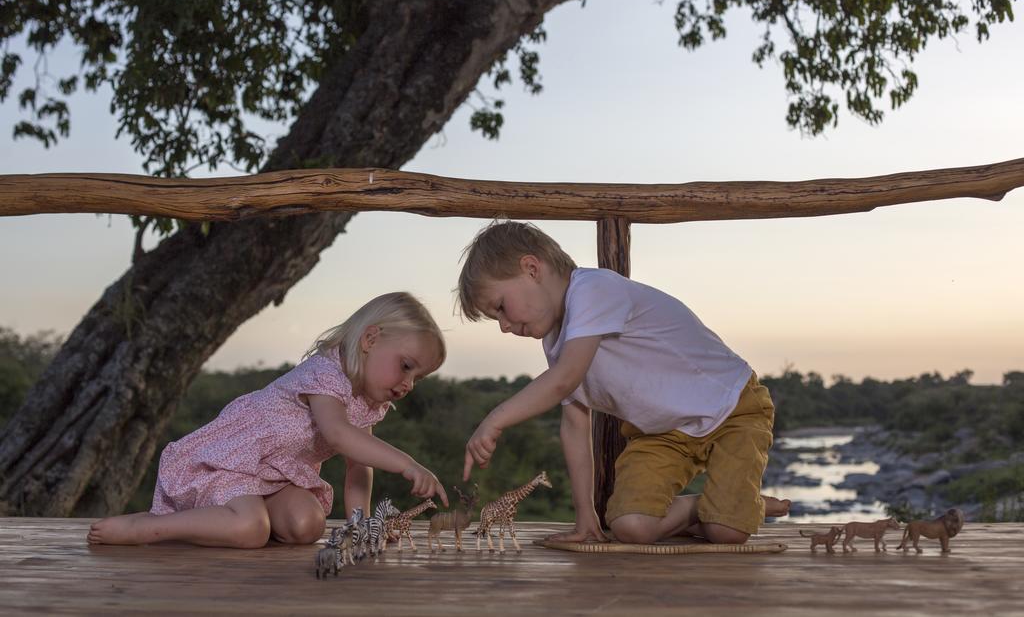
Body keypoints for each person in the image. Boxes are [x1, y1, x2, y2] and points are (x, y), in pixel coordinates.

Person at [459, 221, 789, 546]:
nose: (503, 326)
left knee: (726, 535)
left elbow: (563, 381)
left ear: (531, 268)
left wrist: (496, 418)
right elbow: (575, 425)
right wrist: (586, 515)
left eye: (500, 307)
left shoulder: (592, 289)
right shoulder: (555, 342)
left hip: (731, 408)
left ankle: (734, 510)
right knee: (630, 527)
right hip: (663, 434)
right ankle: (723, 505)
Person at [88, 292, 449, 548]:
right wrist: (406, 464)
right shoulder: (325, 373)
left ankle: (233, 520)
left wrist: (362, 526)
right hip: (232, 464)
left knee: (307, 525)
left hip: (275, 478)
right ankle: (151, 527)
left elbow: (359, 465)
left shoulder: (368, 401)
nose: (408, 384)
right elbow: (338, 436)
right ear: (370, 339)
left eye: (418, 377)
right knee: (251, 530)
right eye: (406, 366)